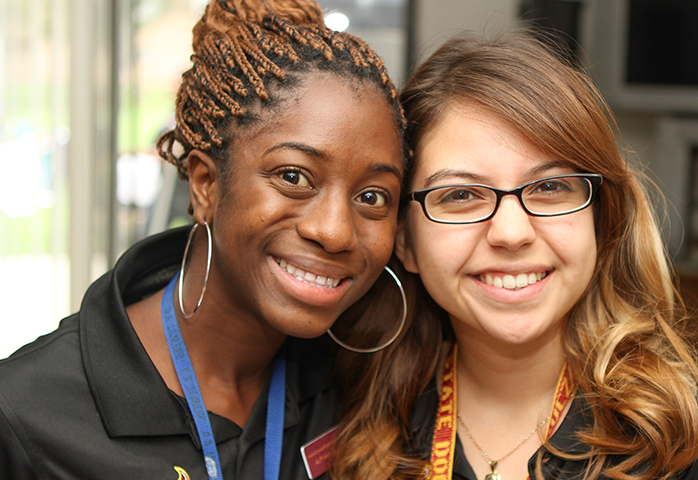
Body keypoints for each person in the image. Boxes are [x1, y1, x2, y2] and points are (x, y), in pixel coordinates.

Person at [330, 31, 698, 479]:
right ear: (405, 240)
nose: (510, 233)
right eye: (462, 194)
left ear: (600, 219)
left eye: (549, 187)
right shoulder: (340, 419)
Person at [0, 0, 408, 478]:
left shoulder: (361, 385)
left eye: (374, 196)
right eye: (294, 177)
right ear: (205, 185)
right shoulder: (25, 415)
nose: (336, 231)